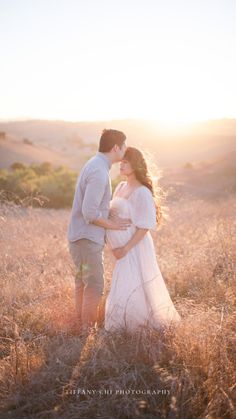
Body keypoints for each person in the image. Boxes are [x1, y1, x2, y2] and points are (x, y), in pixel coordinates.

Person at [105, 147, 181, 333]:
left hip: (134, 246)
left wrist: (126, 248)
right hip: (121, 248)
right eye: (121, 162)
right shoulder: (121, 187)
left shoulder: (142, 192)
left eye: (126, 162)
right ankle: (122, 324)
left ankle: (137, 326)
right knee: (124, 280)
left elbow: (145, 226)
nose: (121, 165)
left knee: (136, 281)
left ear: (136, 165)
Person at [67, 129, 130, 333]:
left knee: (83, 283)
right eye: (124, 146)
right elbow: (89, 212)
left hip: (80, 237)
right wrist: (113, 225)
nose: (126, 150)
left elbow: (95, 206)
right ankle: (87, 330)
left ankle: (81, 326)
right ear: (115, 148)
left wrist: (110, 213)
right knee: (94, 284)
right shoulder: (98, 171)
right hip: (86, 238)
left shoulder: (95, 165)